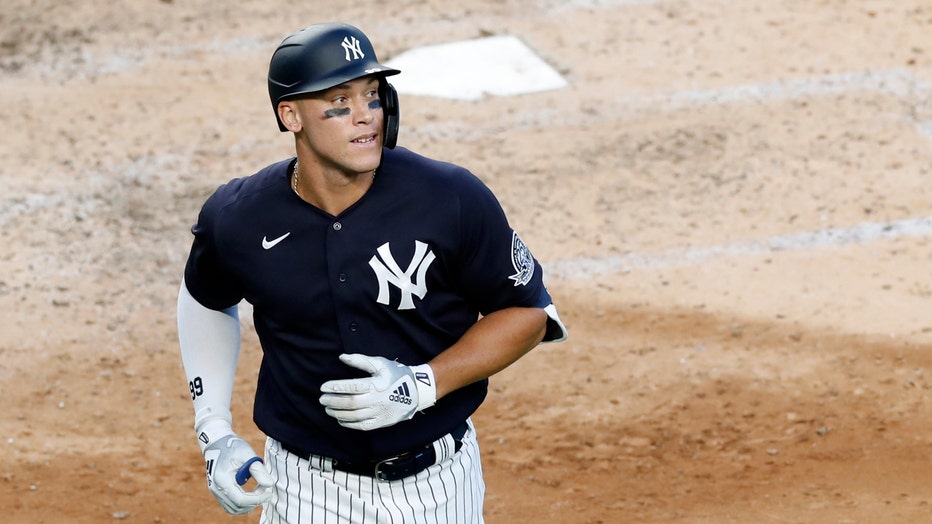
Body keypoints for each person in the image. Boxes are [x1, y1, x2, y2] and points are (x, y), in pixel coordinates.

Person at [176, 22, 567, 523]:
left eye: (372, 96)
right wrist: (214, 431)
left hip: (436, 487)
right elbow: (206, 297)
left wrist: (422, 384)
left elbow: (528, 312)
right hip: (302, 489)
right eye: (339, 102)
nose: (365, 117)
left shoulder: (449, 197)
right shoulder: (241, 216)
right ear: (290, 115)